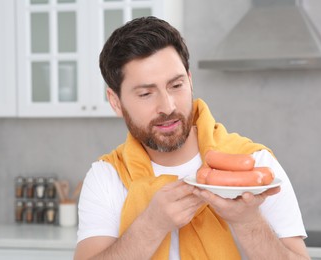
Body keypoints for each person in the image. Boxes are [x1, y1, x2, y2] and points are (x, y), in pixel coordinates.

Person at [74, 16, 309, 260]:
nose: (167, 106)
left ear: (190, 80)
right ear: (115, 102)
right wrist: (151, 226)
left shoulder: (257, 165)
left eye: (176, 86)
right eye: (146, 93)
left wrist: (248, 221)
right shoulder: (107, 177)